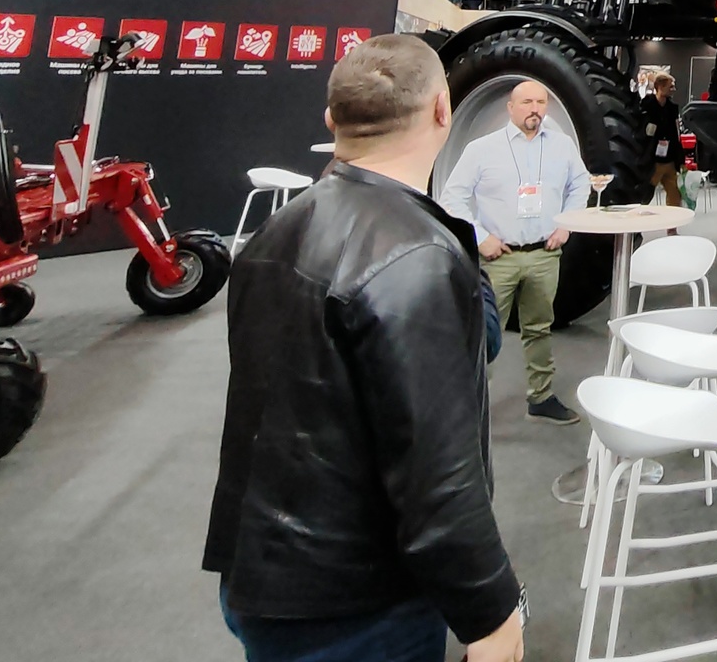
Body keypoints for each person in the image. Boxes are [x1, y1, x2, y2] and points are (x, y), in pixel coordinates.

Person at [205, 35, 524, 662]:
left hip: (265, 575)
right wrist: (491, 612)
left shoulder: (274, 231)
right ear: (442, 110)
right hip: (358, 602)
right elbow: (436, 469)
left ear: (331, 118)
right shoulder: (416, 255)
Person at [442, 79, 593, 424]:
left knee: (540, 327)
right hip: (498, 258)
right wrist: (480, 237)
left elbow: (580, 183)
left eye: (541, 102)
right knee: (483, 334)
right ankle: (468, 409)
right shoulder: (483, 149)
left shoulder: (562, 146)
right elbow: (452, 198)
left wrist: (566, 224)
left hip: (544, 254)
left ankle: (540, 397)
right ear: (510, 108)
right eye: (526, 102)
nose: (534, 108)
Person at [642, 71, 683, 207]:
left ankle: (672, 227)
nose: (673, 89)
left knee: (675, 195)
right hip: (652, 159)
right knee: (645, 194)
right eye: (670, 86)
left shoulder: (672, 108)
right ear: (660, 86)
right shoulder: (646, 105)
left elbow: (676, 132)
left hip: (669, 158)